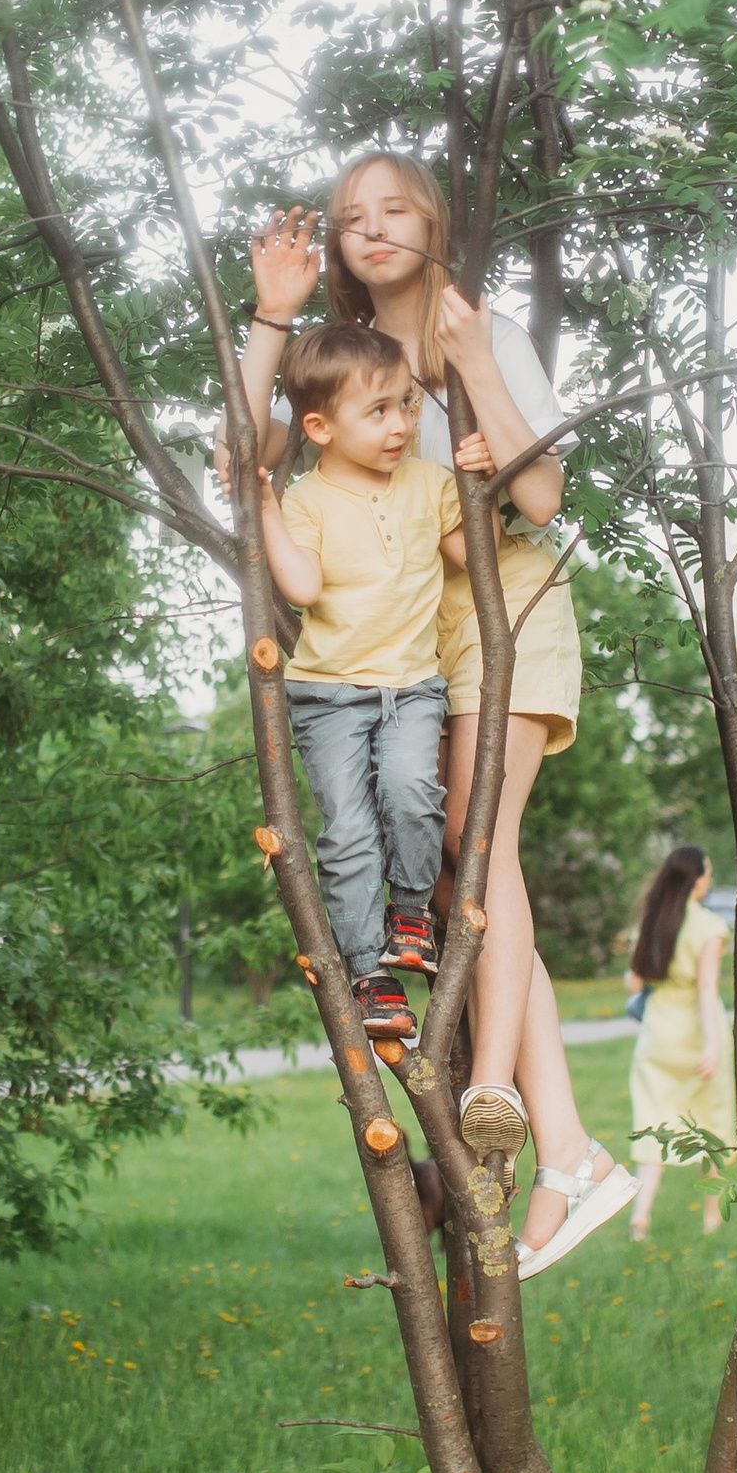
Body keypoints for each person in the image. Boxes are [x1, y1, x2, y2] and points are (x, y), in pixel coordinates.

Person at [239, 154, 634, 1272]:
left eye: (394, 210)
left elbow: (541, 497)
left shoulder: (482, 330)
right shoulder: (337, 360)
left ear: (435, 223)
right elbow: (243, 455)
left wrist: (469, 362)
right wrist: (270, 319)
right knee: (466, 848)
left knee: (476, 847)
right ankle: (565, 1149)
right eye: (349, 217)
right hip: (403, 639)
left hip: (504, 604)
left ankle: (499, 1091)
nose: (370, 230)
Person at [254, 320, 472, 1044]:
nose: (401, 424)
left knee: (412, 791)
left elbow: (473, 554)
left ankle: (411, 912)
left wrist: (481, 477)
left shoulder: (428, 482)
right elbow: (302, 585)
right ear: (318, 426)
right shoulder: (308, 501)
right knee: (348, 833)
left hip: (412, 685)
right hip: (330, 698)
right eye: (378, 411)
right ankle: (365, 969)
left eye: (406, 405)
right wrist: (261, 509)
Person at [624, 844, 737, 1242]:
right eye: (707, 872)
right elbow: (706, 990)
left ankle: (641, 1217)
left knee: (654, 1122)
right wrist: (711, 1045)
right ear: (697, 879)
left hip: (656, 1036)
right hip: (693, 1035)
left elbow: (633, 982)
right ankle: (711, 1219)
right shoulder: (709, 927)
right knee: (713, 1125)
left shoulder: (652, 922)